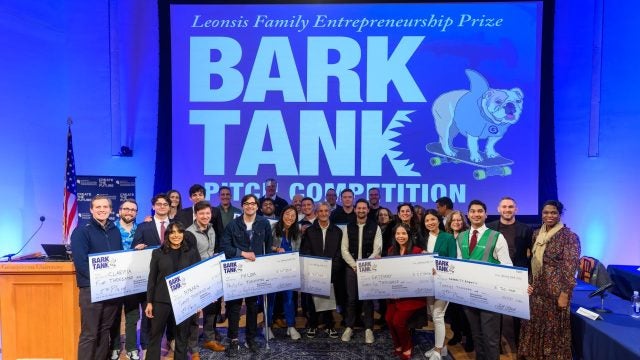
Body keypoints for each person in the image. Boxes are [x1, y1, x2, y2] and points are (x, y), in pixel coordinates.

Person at [518, 200, 580, 360]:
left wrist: (565, 294)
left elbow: (570, 267)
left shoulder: (569, 237)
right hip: (537, 289)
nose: (549, 215)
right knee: (535, 324)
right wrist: (529, 282)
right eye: (546, 212)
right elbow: (533, 261)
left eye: (553, 212)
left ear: (560, 214)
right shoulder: (536, 234)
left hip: (556, 291)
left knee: (553, 329)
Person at [457, 200, 512, 360]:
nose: (476, 214)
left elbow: (507, 265)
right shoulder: (461, 237)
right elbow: (459, 264)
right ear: (468, 214)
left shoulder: (496, 236)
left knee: (491, 338)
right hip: (468, 295)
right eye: (473, 211)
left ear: (486, 214)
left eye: (480, 211)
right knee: (477, 336)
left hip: (490, 296)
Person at [70, 195, 123, 360]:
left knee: (105, 330)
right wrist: (99, 282)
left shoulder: (115, 231)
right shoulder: (81, 231)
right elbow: (80, 262)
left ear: (110, 210)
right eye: (98, 207)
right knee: (90, 333)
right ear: (91, 210)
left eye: (105, 207)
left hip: (112, 289)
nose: (102, 210)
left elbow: (118, 258)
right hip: (91, 289)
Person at [221, 194, 274, 357]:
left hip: (255, 271)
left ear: (257, 207)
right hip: (237, 270)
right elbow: (225, 247)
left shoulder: (264, 223)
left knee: (252, 306)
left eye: (253, 204)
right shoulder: (233, 225)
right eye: (247, 203)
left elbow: (268, 246)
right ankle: (233, 338)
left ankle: (250, 338)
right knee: (234, 306)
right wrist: (243, 253)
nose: (250, 206)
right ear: (242, 206)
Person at [144, 222, 201, 360]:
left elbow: (197, 277)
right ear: (167, 235)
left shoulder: (192, 253)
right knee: (155, 336)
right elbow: (152, 279)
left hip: (184, 301)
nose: (176, 235)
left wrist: (198, 301)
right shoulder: (157, 252)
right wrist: (149, 302)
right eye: (172, 232)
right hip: (161, 300)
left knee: (182, 337)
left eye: (179, 232)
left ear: (183, 234)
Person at [486, 196, 533, 348]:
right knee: (495, 311)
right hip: (496, 274)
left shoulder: (526, 229)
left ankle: (520, 345)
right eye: (504, 207)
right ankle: (496, 342)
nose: (507, 210)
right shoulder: (490, 228)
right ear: (498, 209)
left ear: (516, 209)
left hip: (518, 274)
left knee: (517, 312)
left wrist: (529, 278)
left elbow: (531, 255)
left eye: (510, 207)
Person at [186, 201, 225, 358]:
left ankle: (209, 339)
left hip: (211, 276)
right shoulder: (189, 233)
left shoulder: (211, 229)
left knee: (211, 311)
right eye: (201, 213)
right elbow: (188, 258)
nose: (205, 216)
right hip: (196, 277)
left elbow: (210, 251)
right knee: (195, 316)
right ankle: (193, 349)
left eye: (207, 213)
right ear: (196, 214)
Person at [341, 199, 382, 344]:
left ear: (368, 210)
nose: (361, 210)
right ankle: (349, 327)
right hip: (351, 268)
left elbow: (377, 249)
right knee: (351, 299)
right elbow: (344, 249)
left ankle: (369, 329)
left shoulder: (375, 227)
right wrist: (354, 265)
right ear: (355, 210)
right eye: (359, 208)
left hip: (368, 268)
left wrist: (363, 264)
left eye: (364, 208)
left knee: (367, 299)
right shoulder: (348, 227)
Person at [299, 201, 343, 339]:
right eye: (321, 211)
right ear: (316, 213)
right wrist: (313, 269)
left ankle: (329, 325)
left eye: (326, 211)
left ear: (330, 213)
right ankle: (312, 325)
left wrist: (332, 269)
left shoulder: (337, 231)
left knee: (329, 299)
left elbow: (339, 253)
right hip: (313, 271)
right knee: (313, 300)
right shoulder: (310, 231)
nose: (323, 213)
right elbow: (305, 250)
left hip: (332, 271)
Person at [385, 223, 427, 360]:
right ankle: (398, 344)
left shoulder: (417, 251)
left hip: (412, 297)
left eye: (403, 233)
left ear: (409, 235)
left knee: (398, 321)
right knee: (388, 319)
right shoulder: (391, 250)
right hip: (395, 295)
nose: (401, 236)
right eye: (398, 234)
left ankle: (407, 346)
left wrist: (428, 262)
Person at [422, 209, 458, 360]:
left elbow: (453, 262)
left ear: (438, 220)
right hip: (428, 283)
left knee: (438, 315)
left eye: (433, 219)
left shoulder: (448, 238)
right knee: (434, 315)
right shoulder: (423, 239)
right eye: (427, 220)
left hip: (444, 283)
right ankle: (441, 348)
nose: (430, 223)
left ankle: (437, 351)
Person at [109, 199, 143, 360]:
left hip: (133, 279)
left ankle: (131, 347)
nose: (129, 212)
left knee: (132, 314)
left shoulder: (141, 229)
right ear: (120, 210)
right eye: (126, 209)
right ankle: (115, 347)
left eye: (133, 210)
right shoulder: (110, 228)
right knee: (114, 315)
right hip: (113, 279)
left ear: (136, 213)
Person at [266, 206, 302, 340]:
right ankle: (267, 326)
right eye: (287, 214)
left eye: (293, 215)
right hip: (272, 268)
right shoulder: (273, 227)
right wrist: (276, 248)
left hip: (289, 270)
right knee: (271, 298)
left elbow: (298, 250)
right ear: (282, 215)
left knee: (289, 298)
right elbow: (265, 245)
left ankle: (291, 326)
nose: (290, 217)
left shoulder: (297, 231)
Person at [443, 210, 473, 352]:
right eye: (453, 220)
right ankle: (456, 334)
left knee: (465, 312)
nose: (456, 222)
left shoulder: (469, 236)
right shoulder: (446, 237)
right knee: (453, 310)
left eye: (459, 220)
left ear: (463, 222)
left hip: (465, 278)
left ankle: (469, 337)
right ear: (449, 222)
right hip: (449, 279)